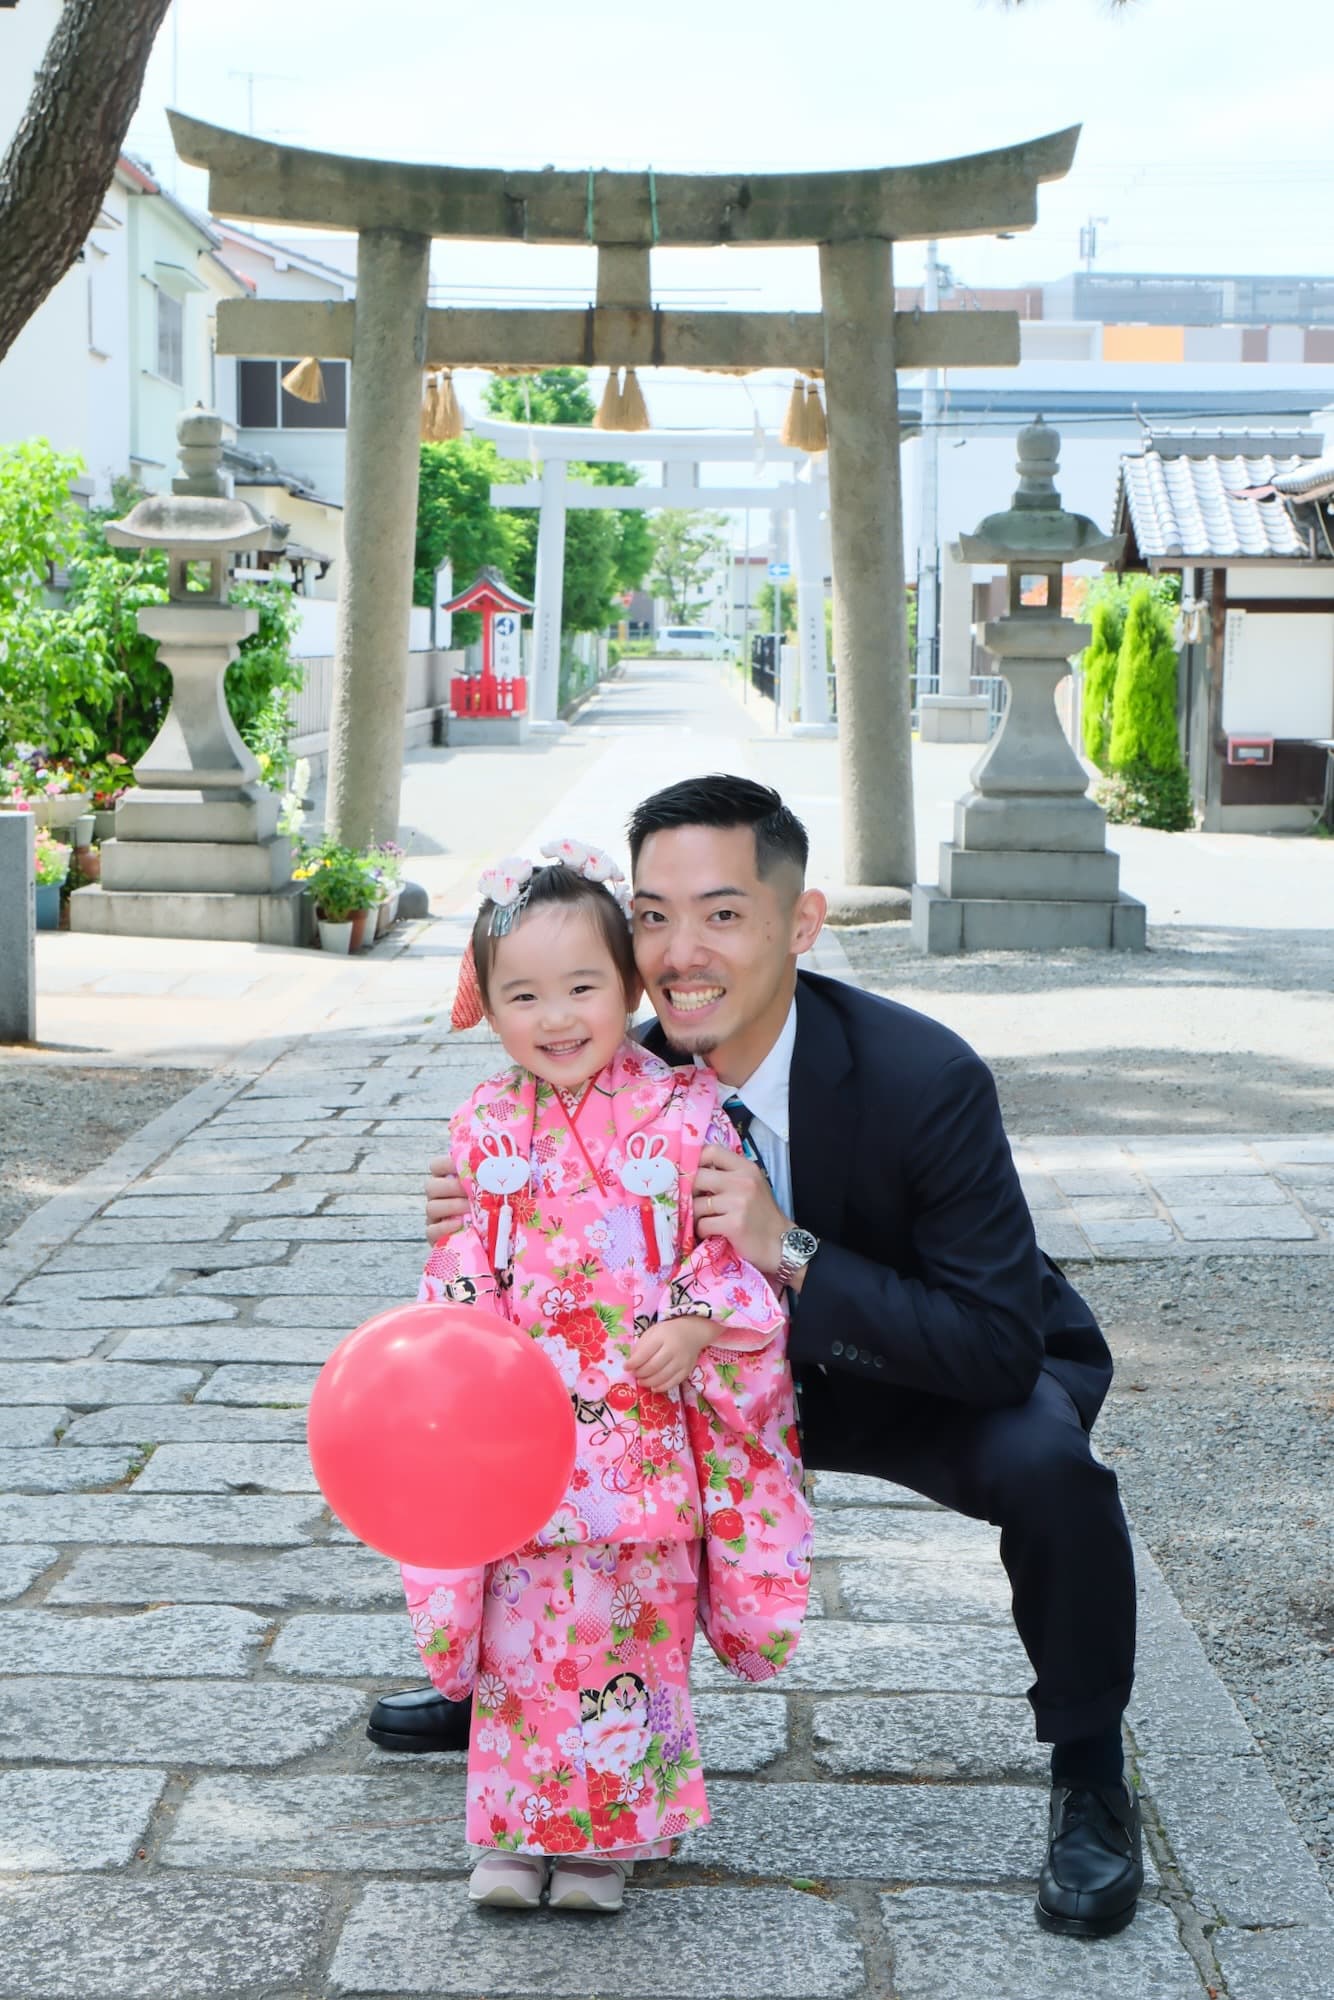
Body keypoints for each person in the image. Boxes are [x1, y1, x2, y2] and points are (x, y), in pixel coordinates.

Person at [374, 775, 1142, 1940]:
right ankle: (516, 1686)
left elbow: (993, 1343)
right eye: (651, 914)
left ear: (801, 920)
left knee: (1049, 1465)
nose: (681, 951)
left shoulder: (921, 1075)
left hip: (890, 1364)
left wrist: (784, 1249)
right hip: (682, 1387)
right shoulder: (590, 1067)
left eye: (721, 913)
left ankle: (1088, 1767)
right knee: (517, 1436)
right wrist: (468, 1208)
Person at [395, 836, 811, 1914]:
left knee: (628, 1637)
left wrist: (689, 1318)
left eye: (582, 985)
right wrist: (471, 1343)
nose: (556, 1015)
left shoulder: (683, 1113)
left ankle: (605, 1839)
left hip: (638, 1433)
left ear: (628, 981)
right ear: (482, 1003)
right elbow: (458, 1265)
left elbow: (724, 1248)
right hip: (521, 1438)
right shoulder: (483, 1125)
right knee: (520, 1644)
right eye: (521, 993)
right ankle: (512, 1829)